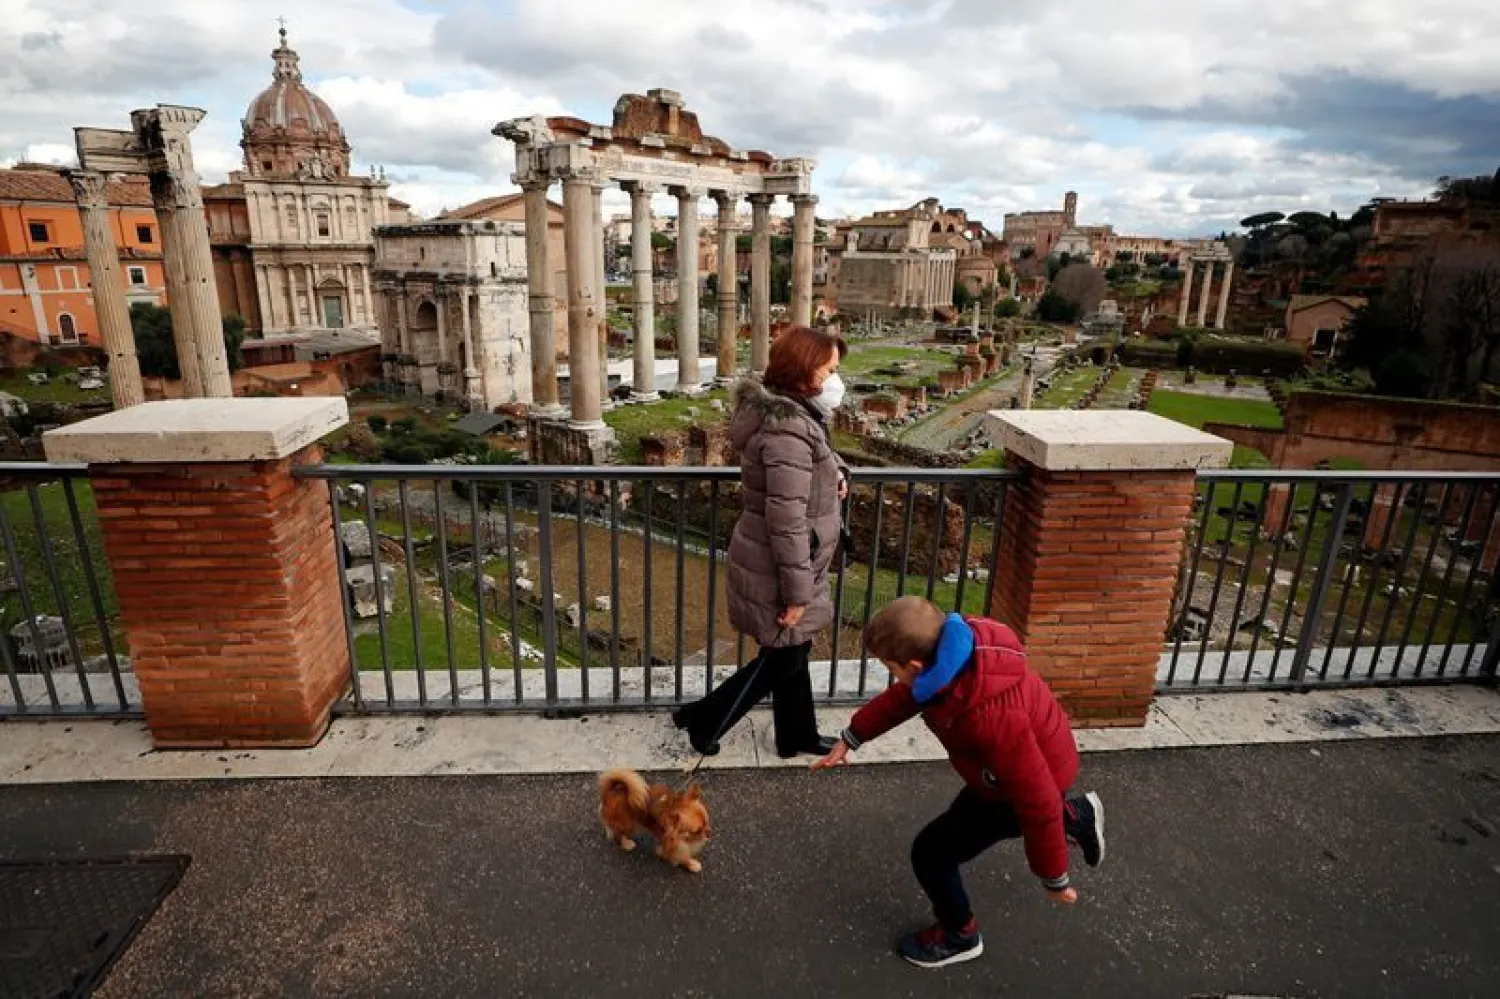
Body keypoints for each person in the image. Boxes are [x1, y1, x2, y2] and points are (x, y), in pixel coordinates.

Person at [812, 596, 1106, 969]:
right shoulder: (958, 652)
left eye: (891, 668)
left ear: (916, 666)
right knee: (975, 824)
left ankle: (959, 935)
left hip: (1014, 789)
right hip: (1021, 767)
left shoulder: (991, 716)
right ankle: (1077, 815)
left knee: (932, 854)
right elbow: (909, 695)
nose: (894, 676)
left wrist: (1054, 877)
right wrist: (853, 736)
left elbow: (1038, 799)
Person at [672, 325, 849, 759]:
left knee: (793, 650)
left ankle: (796, 735)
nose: (836, 380)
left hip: (782, 559)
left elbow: (816, 459)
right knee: (782, 658)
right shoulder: (787, 428)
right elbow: (786, 520)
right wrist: (797, 594)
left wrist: (838, 473)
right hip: (781, 565)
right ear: (804, 373)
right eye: (830, 370)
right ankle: (705, 722)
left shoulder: (795, 418)